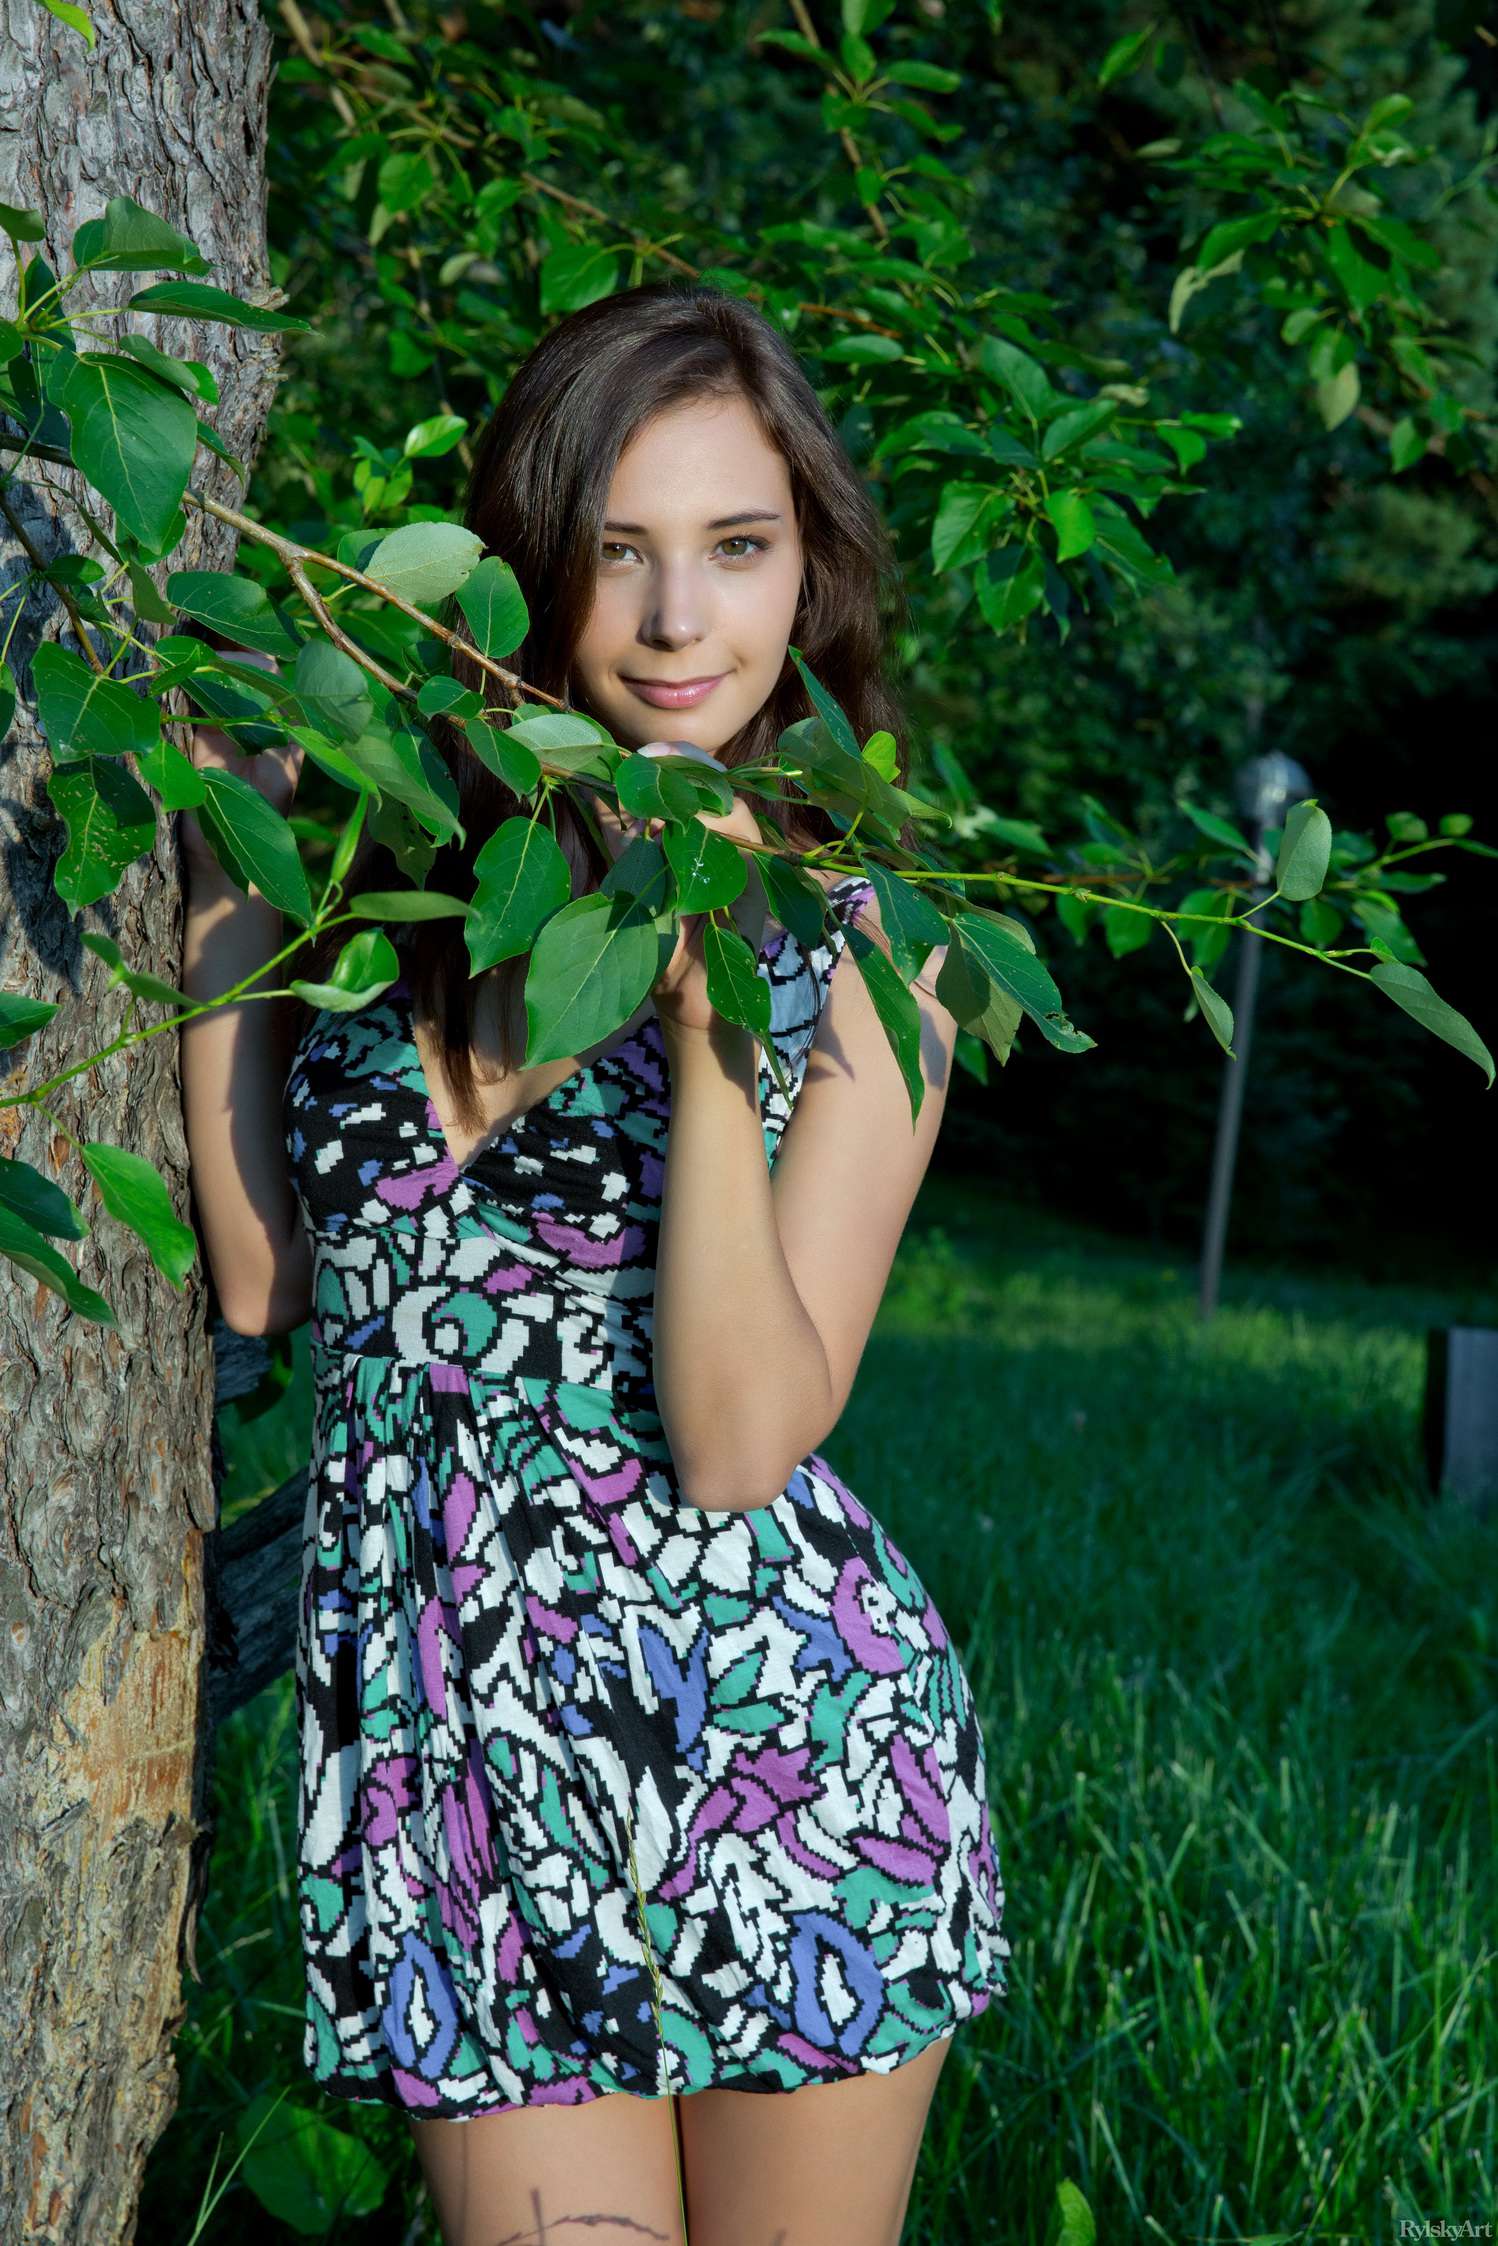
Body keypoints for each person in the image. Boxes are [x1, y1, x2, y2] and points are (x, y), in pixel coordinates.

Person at [180, 283, 1008, 2246]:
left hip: (780, 1766)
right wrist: (228, 877)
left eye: (736, 547)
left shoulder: (879, 953)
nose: (672, 618)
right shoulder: (422, 884)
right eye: (617, 549)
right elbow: (267, 1281)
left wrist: (714, 1033)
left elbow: (738, 1437)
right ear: (530, 563)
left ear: (807, 574)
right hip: (451, 1774)